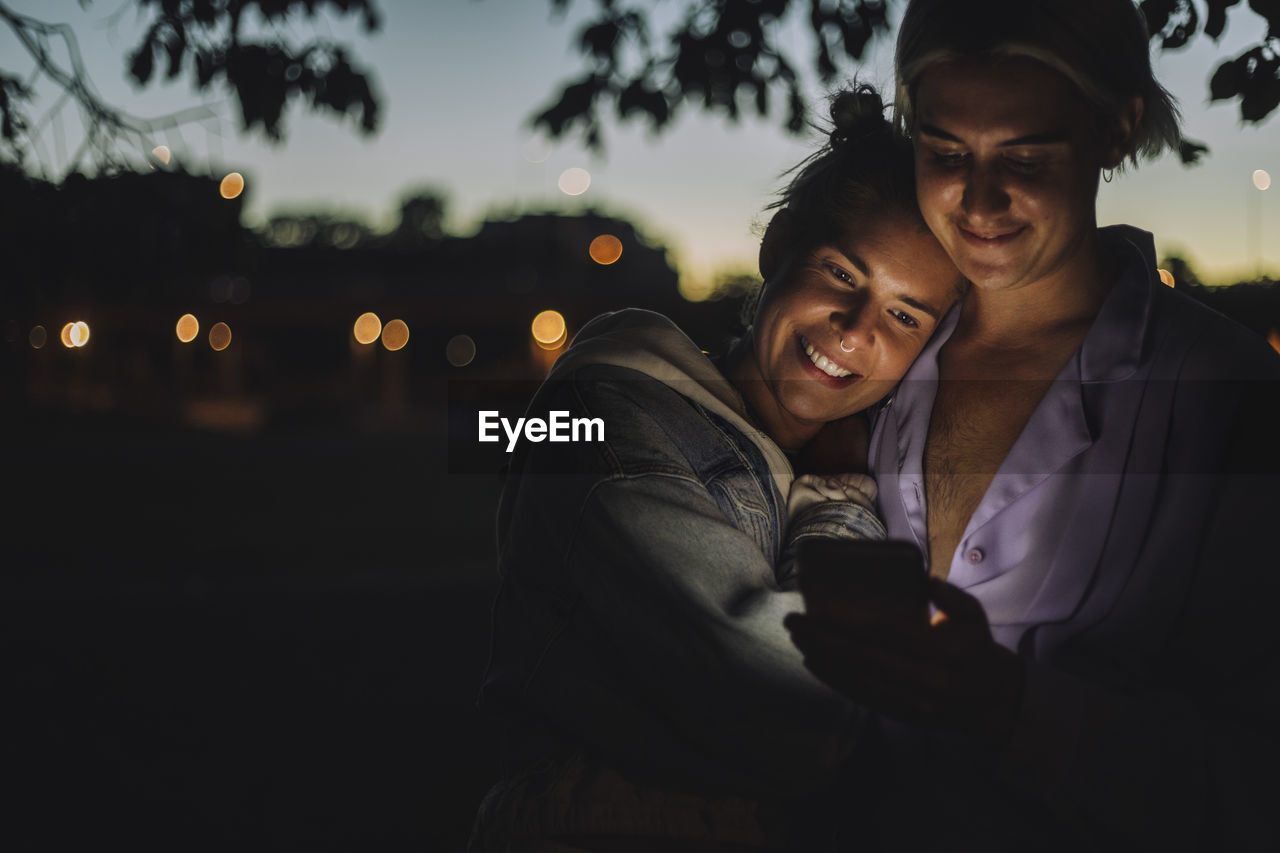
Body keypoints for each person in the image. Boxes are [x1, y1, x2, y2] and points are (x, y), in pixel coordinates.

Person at [783, 1, 1280, 850]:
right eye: (945, 151)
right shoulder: (880, 358)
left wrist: (1012, 707)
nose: (979, 200)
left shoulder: (1227, 395)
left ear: (1117, 130)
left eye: (1025, 153)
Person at [470, 85, 965, 851]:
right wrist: (838, 497)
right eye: (841, 274)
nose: (857, 329)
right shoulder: (613, 404)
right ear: (779, 247)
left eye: (905, 316)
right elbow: (799, 711)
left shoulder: (877, 455)